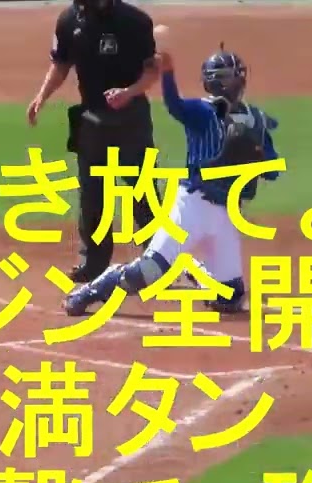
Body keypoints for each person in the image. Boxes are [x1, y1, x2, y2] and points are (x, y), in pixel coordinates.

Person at [62, 45, 282, 316]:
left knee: (230, 298)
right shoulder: (203, 112)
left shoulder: (256, 119)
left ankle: (193, 269)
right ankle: (92, 290)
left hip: (227, 213)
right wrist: (168, 73)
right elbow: (175, 105)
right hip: (193, 206)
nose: (233, 82)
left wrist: (258, 158)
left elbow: (272, 170)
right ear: (213, 81)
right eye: (226, 76)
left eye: (235, 75)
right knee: (149, 271)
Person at [28, 0, 159, 283]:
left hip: (132, 117)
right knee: (92, 193)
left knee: (143, 189)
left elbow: (151, 71)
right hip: (91, 117)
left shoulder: (135, 21)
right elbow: (61, 63)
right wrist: (42, 96)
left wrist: (129, 92)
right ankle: (93, 263)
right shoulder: (69, 20)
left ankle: (158, 259)